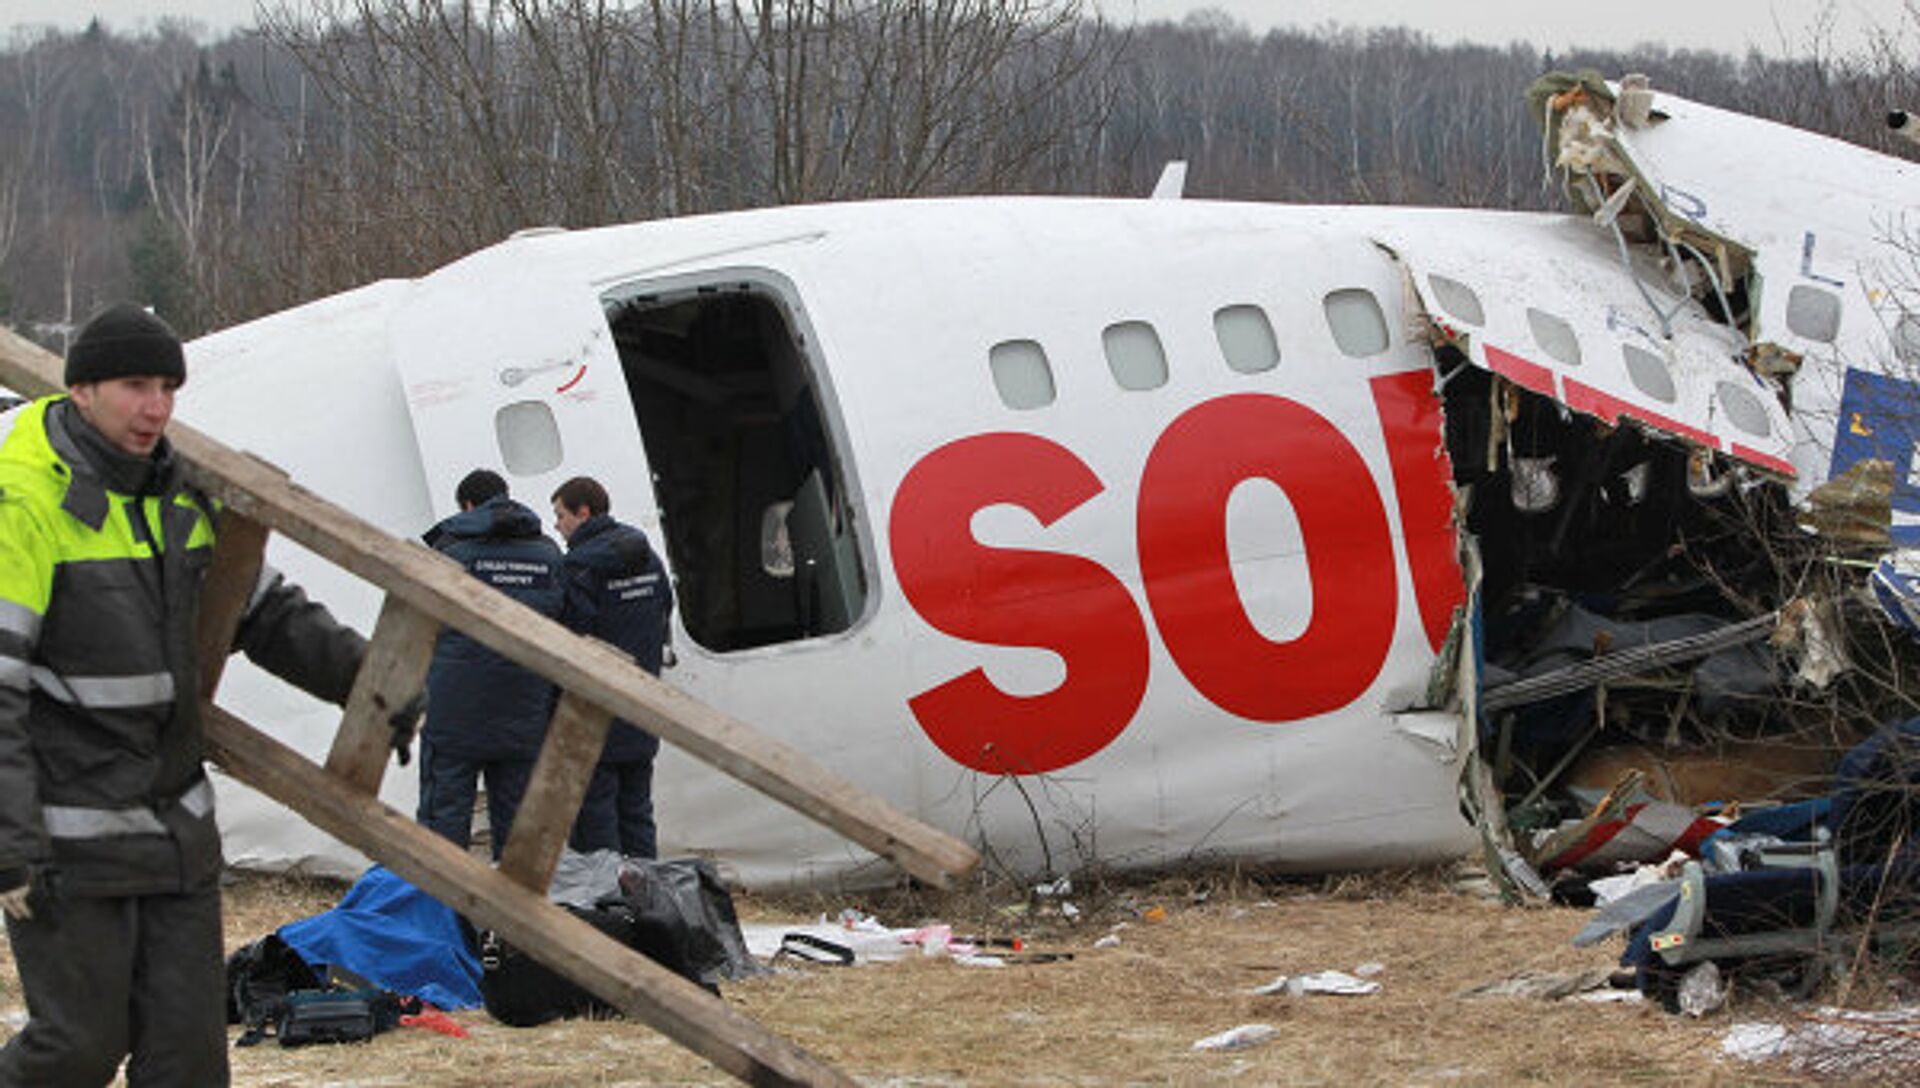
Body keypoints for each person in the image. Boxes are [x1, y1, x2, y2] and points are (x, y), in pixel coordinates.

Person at [0, 303, 371, 1086]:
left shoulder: (182, 494)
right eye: (136, 386)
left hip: (178, 835)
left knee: (189, 1062)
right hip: (68, 844)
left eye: (169, 387)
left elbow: (265, 612)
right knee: (78, 1048)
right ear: (82, 390)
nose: (157, 408)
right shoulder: (23, 504)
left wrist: (374, 685)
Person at [418, 469, 565, 859]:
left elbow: (418, 623)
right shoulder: (548, 553)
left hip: (454, 706)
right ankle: (513, 914)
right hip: (525, 706)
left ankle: (440, 911)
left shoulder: (449, 551)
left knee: (443, 821)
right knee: (519, 827)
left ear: (467, 506)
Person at [550, 476, 673, 858]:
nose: (557, 526)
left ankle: (610, 906)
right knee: (637, 810)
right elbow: (665, 609)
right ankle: (648, 900)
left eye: (560, 515)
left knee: (596, 817)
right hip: (641, 701)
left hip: (594, 709)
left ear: (583, 512)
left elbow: (573, 635)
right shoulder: (647, 556)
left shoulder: (580, 569)